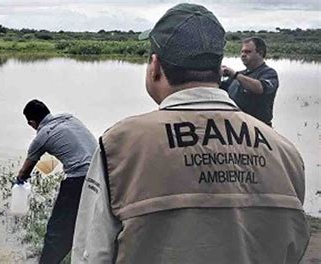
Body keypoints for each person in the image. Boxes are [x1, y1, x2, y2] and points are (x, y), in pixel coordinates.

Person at [72, 4, 309, 264]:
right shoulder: (286, 154)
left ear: (155, 66)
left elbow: (91, 255)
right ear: (218, 67)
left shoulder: (120, 145)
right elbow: (294, 248)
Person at [16, 100, 97, 264]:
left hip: (78, 180)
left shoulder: (42, 137)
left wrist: (19, 180)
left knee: (58, 231)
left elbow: (25, 171)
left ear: (31, 123)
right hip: (99, 174)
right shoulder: (68, 118)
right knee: (90, 223)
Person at [221, 37, 279, 126]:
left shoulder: (269, 73)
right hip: (236, 127)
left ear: (260, 53)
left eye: (248, 52)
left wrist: (235, 75)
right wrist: (216, 73)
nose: (243, 54)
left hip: (259, 128)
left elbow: (260, 88)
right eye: (242, 51)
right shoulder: (239, 75)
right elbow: (218, 89)